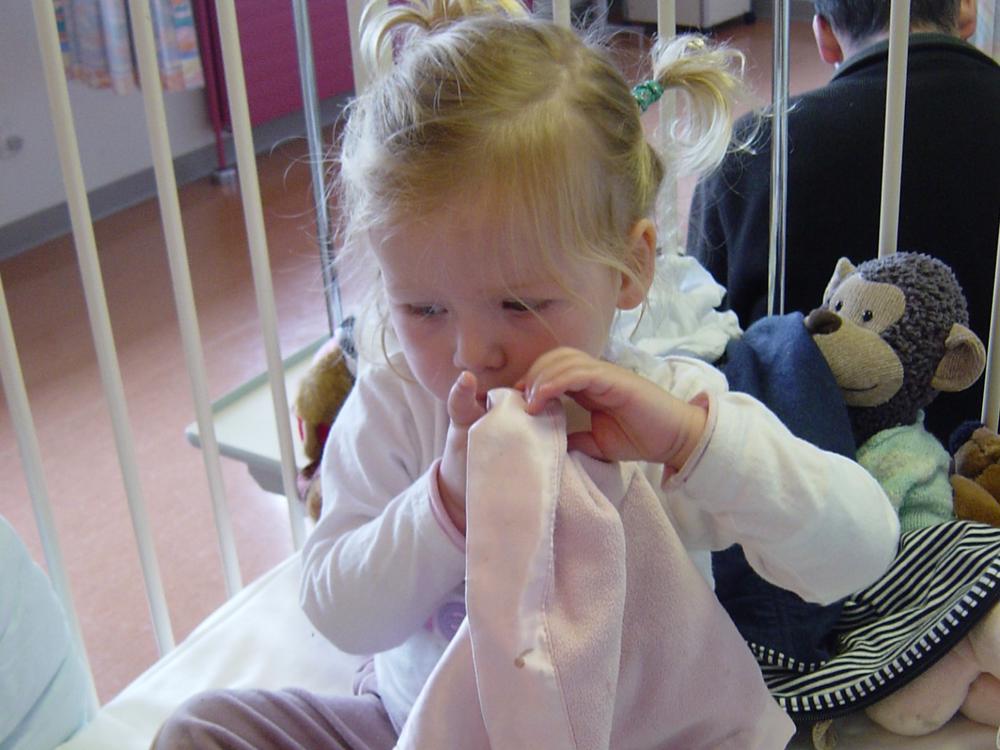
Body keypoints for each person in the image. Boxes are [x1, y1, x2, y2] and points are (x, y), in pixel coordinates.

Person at [152, 1, 900, 747]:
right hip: (416, 728)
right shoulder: (397, 404)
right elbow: (338, 610)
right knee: (202, 731)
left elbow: (859, 553)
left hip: (629, 739)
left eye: (520, 304)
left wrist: (694, 445)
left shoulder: (658, 414)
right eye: (423, 309)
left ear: (630, 268)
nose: (471, 352)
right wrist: (447, 503)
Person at [686, 0, 1000, 444]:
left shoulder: (755, 149)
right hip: (985, 466)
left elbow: (702, 341)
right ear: (967, 12)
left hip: (800, 467)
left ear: (825, 36)